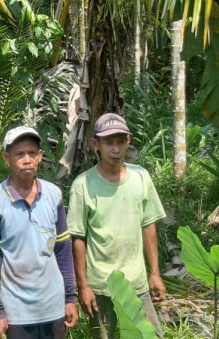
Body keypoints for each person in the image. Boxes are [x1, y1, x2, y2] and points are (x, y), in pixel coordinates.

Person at [67, 113, 167, 339]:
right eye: (108, 142)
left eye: (121, 141)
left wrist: (155, 274)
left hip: (137, 281)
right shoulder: (83, 185)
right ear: (96, 144)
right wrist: (83, 286)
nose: (115, 149)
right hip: (101, 284)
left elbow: (148, 225)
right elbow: (78, 238)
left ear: (128, 142)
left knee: (150, 335)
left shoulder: (140, 177)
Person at [0, 126, 79, 339]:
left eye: (32, 153)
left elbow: (63, 250)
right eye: (19, 154)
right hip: (16, 310)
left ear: (40, 156)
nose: (27, 159)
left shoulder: (53, 194)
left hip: (53, 304)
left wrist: (70, 297)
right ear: (6, 158)